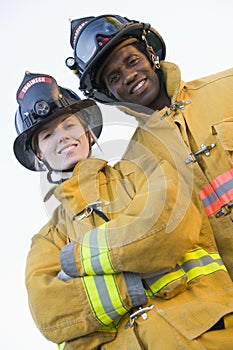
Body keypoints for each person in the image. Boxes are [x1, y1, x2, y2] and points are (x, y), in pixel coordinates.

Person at [13, 69, 233, 350]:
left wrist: (77, 259)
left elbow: (168, 231)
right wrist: (134, 281)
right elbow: (49, 313)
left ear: (88, 132)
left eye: (69, 125)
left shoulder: (144, 168)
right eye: (47, 135)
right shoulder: (47, 239)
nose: (63, 137)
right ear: (40, 156)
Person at [66, 14, 233, 283]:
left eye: (133, 61)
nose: (130, 75)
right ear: (109, 94)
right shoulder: (132, 166)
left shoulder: (228, 88)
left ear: (151, 55)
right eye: (115, 77)